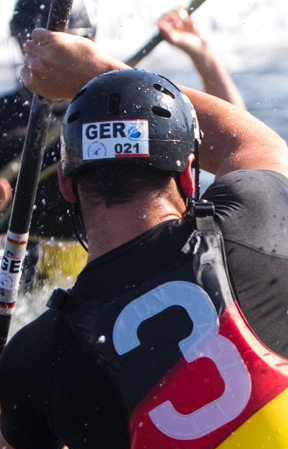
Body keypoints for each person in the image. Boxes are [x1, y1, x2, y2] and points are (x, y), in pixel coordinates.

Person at [0, 27, 288, 449]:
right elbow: (253, 141)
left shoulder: (36, 354)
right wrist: (94, 71)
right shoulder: (251, 219)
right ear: (187, 174)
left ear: (68, 187)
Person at [0, 0, 245, 287]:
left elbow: (235, 146)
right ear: (20, 45)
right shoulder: (4, 116)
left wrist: (202, 55)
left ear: (88, 41)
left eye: (55, 44)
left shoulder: (128, 105)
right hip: (19, 269)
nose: (45, 55)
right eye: (33, 43)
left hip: (111, 264)